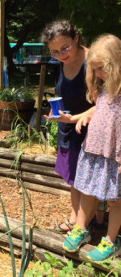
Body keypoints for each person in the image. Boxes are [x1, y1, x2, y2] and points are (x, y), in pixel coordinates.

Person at [63, 34, 121, 262]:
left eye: (102, 68)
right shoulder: (104, 88)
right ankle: (81, 228)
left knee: (116, 201)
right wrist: (83, 118)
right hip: (93, 151)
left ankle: (110, 240)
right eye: (94, 69)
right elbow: (99, 109)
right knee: (87, 191)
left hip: (113, 155)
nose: (98, 74)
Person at [40, 20, 96, 233]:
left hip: (90, 129)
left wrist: (73, 119)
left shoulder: (93, 60)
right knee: (73, 176)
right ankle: (76, 217)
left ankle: (85, 222)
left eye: (65, 48)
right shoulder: (61, 63)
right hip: (69, 126)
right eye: (54, 52)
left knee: (87, 179)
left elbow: (107, 103)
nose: (61, 54)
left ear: (76, 38)